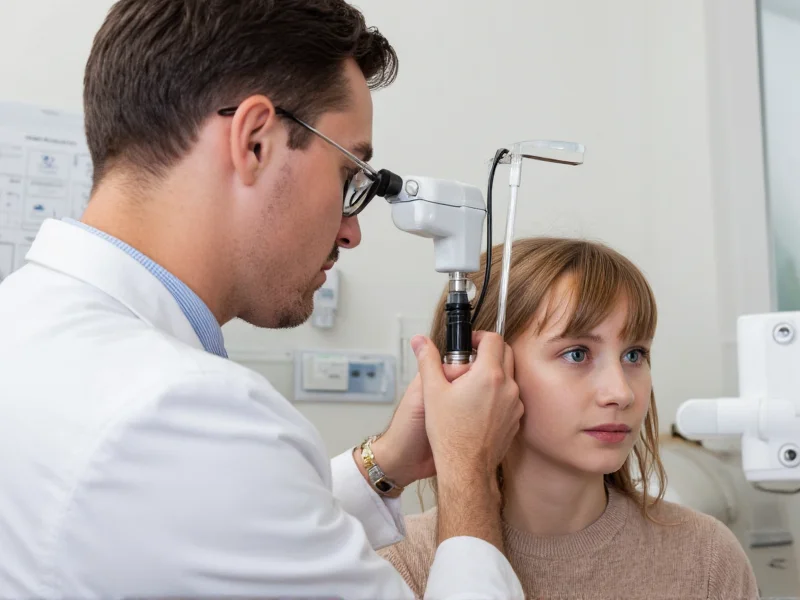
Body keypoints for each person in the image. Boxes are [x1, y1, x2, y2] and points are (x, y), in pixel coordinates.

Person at [0, 1, 525, 598]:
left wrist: (385, 465)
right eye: (349, 177)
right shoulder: (182, 414)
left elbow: (207, 530)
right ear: (254, 142)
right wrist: (469, 471)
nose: (351, 231)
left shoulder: (24, 321)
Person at [380, 237, 760, 600]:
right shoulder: (401, 566)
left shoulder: (707, 556)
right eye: (577, 354)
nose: (621, 393)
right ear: (484, 372)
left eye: (634, 355)